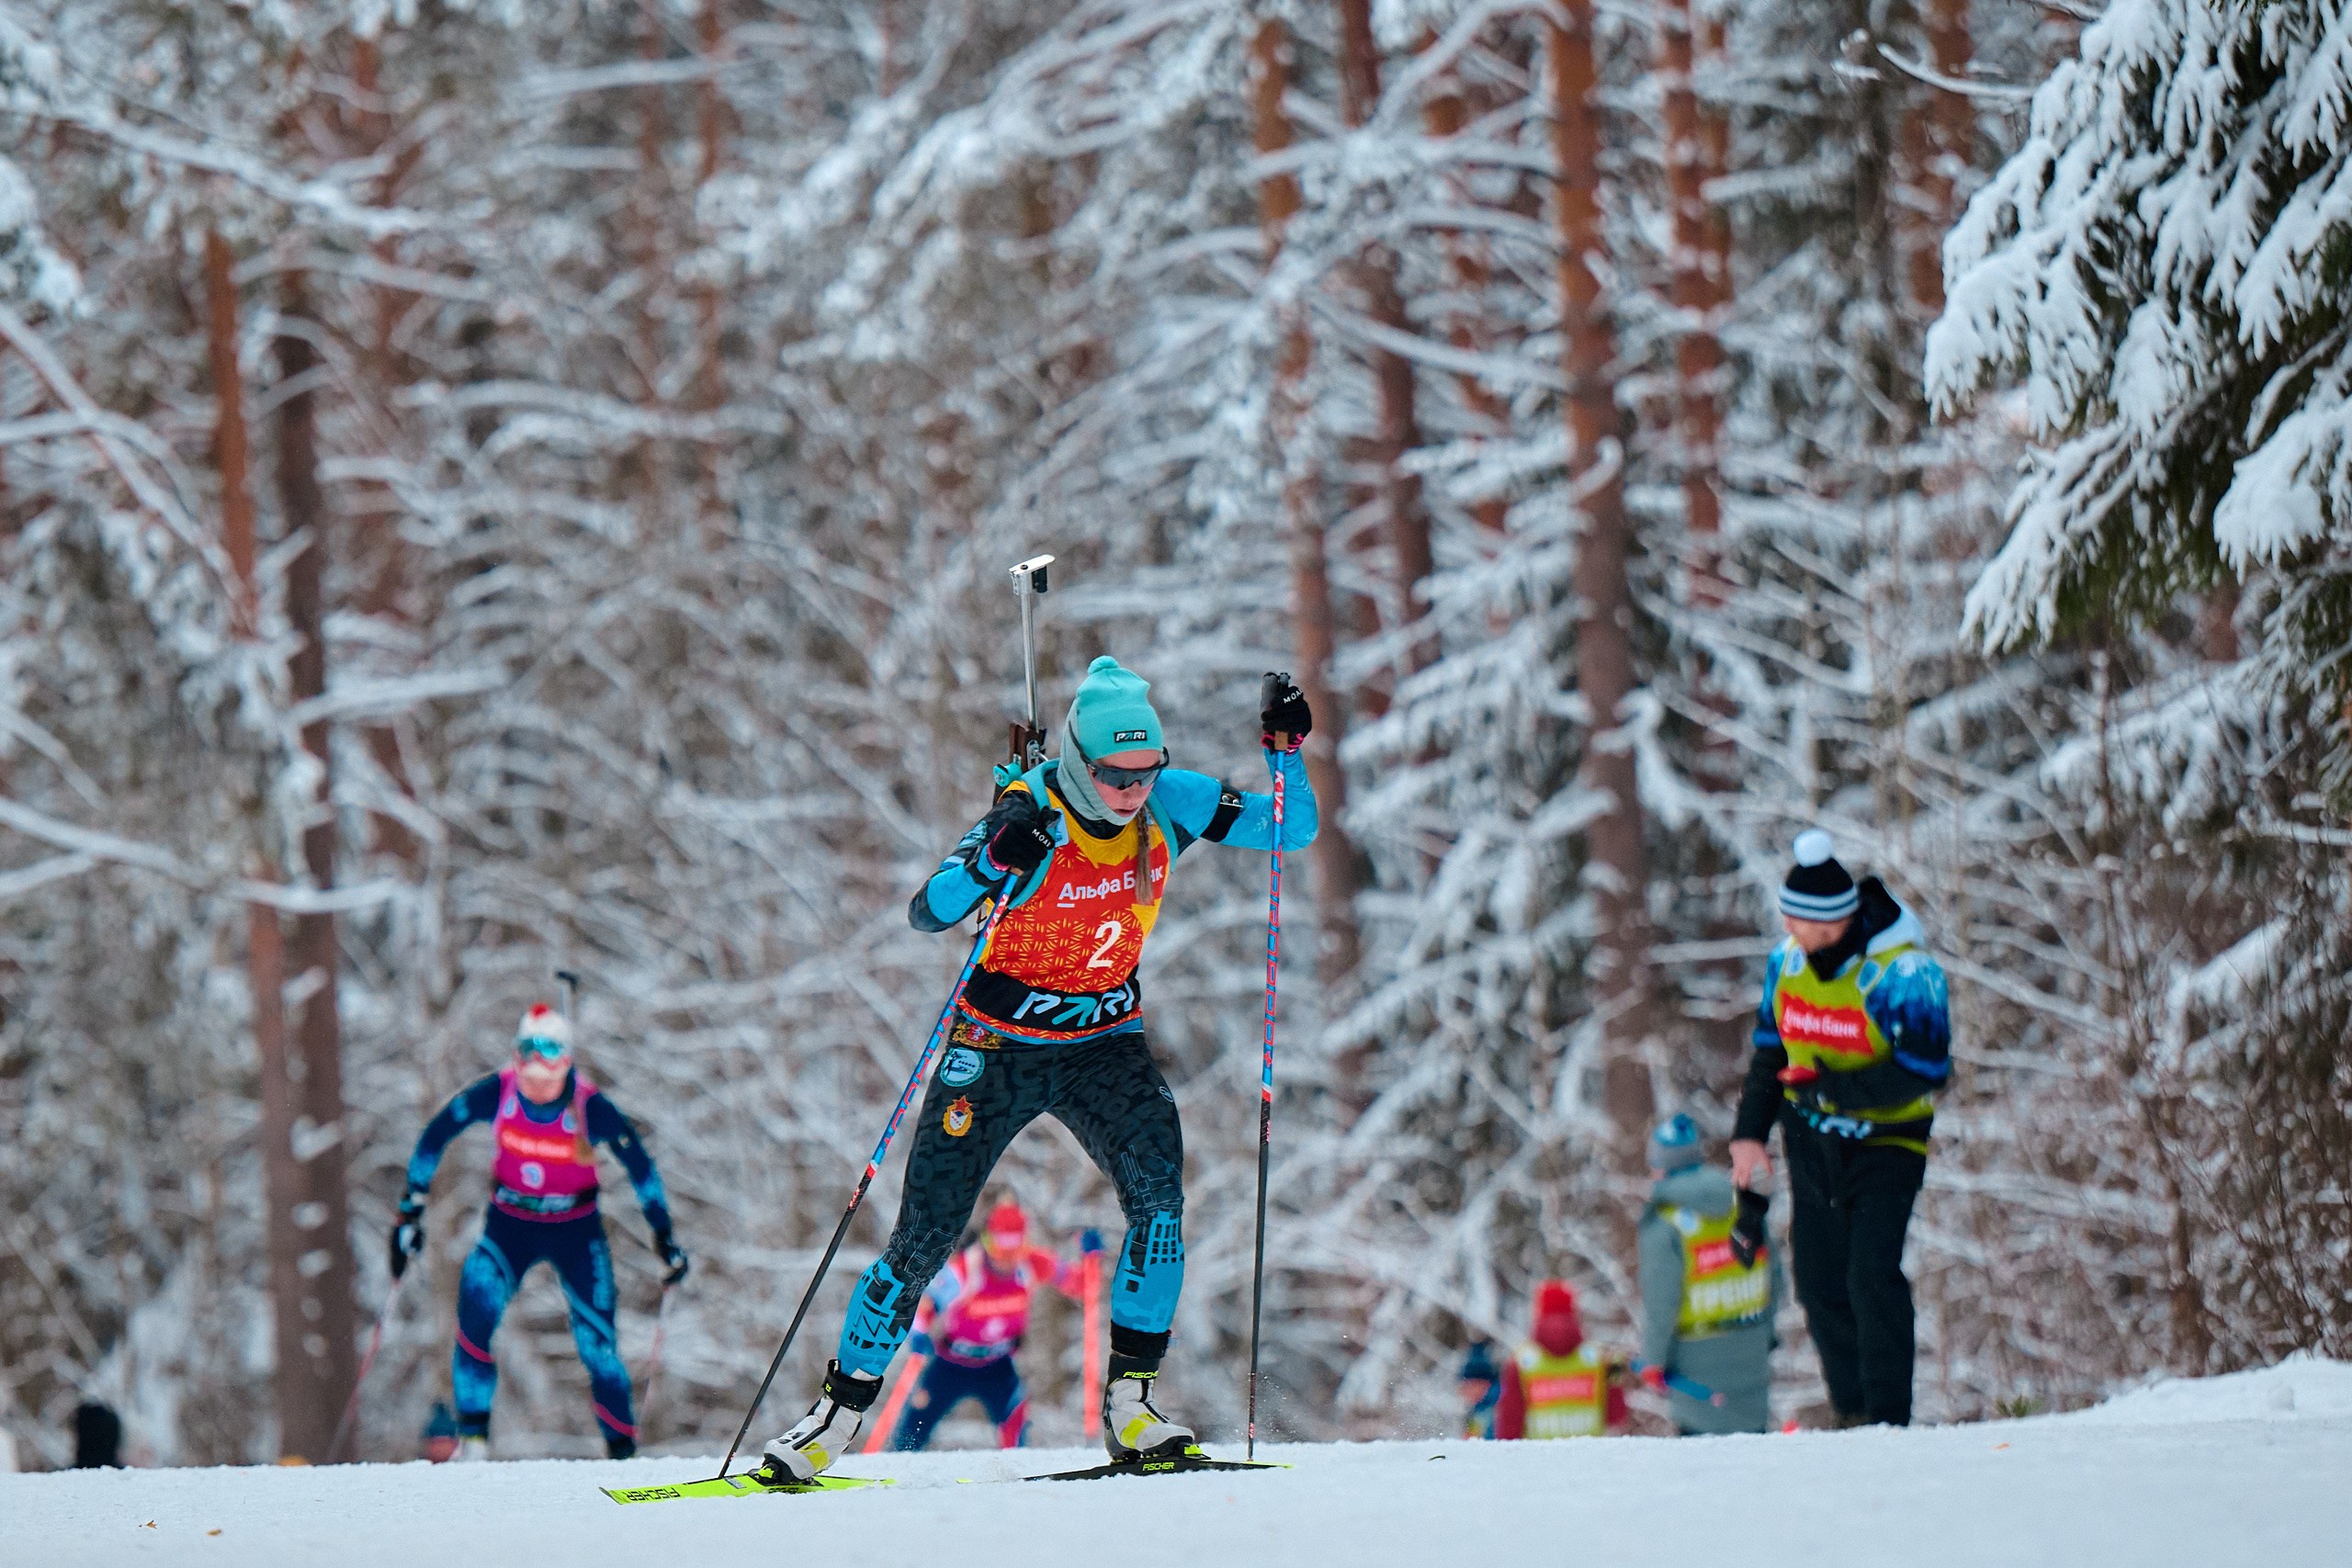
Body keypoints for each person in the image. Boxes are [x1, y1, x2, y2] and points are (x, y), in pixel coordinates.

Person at [758, 659, 1317, 1481]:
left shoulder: (1172, 799)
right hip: (995, 1045)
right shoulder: (1030, 807)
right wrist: (992, 860)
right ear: (1081, 763)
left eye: (1145, 771)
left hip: (1104, 1040)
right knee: (925, 1237)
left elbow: (1290, 827)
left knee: (1161, 1206)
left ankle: (1132, 1405)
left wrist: (1287, 749)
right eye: (1116, 774)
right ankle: (834, 1418)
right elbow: (930, 910)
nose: (1132, 789)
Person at [390, 1003, 687, 1460]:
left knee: (598, 1347)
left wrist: (664, 1239)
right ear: (515, 1061)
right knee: (474, 1314)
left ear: (566, 1065)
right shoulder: (500, 1093)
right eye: (529, 1074)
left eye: (549, 1078)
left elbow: (641, 1169)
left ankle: (622, 1453)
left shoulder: (589, 1107)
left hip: (576, 1230)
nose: (538, 1085)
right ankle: (473, 1440)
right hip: (511, 1224)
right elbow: (436, 1134)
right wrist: (410, 1209)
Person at [1729, 831, 1951, 1427]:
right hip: (1810, 1140)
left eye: (1822, 932)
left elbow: (1929, 1068)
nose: (1809, 942)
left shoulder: (1904, 971)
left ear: (1848, 919)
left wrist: (1831, 1086)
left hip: (1888, 1142)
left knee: (1869, 1272)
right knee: (1819, 1279)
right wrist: (1749, 1134)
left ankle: (1886, 1416)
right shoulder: (1786, 963)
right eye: (1797, 927)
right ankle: (1852, 1411)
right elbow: (1770, 1053)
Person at [888, 1200, 1103, 1450]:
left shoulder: (1032, 1264)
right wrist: (918, 1334)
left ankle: (1017, 1476)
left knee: (1016, 1427)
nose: (1007, 1262)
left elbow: (1081, 1286)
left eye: (1015, 1252)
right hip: (951, 1364)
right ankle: (895, 1467)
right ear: (988, 1242)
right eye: (1001, 1251)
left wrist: (1091, 1260)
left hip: (998, 1366)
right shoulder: (967, 1269)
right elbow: (926, 1305)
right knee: (914, 1426)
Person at [1636, 1113, 1778, 1435]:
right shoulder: (1740, 1201)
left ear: (1660, 1165)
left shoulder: (1665, 1219)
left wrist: (1654, 1360)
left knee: (1706, 1470)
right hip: (1752, 1348)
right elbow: (1774, 1273)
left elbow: (1662, 1301)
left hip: (1695, 1367)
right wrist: (1767, 1334)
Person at [1494, 1280, 1627, 1439]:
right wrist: (1616, 1372)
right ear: (1573, 1311)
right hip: (1589, 1458)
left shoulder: (1522, 1362)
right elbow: (1616, 1415)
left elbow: (1509, 1426)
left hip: (1539, 1459)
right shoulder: (1599, 1358)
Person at [1457, 1341, 1501, 1438]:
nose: (1462, 1391)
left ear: (1482, 1383)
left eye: (1467, 1385)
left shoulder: (1497, 1406)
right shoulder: (1480, 1408)